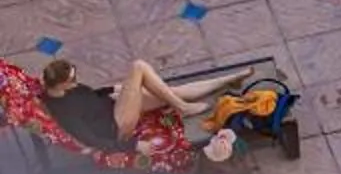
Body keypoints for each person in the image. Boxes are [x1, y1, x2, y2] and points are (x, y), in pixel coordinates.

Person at [39, 56, 242, 153]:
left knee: (170, 92)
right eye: (73, 79)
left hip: (112, 104)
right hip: (115, 125)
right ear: (61, 84)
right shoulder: (65, 112)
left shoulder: (62, 89)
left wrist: (113, 90)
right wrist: (135, 145)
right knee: (139, 67)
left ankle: (226, 80)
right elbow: (93, 140)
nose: (76, 81)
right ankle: (183, 107)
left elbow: (90, 96)